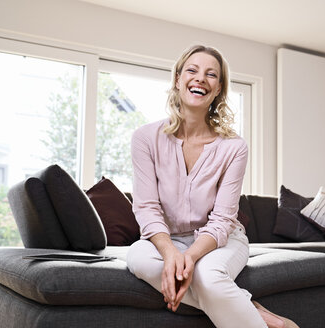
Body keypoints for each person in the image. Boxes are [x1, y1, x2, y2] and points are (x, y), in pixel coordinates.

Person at [126, 45, 298, 328]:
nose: (200, 79)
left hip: (222, 240)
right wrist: (170, 254)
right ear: (178, 79)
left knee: (208, 276)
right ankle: (250, 308)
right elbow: (146, 207)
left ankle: (239, 306)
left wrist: (190, 258)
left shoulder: (234, 147)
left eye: (211, 75)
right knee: (138, 258)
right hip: (167, 238)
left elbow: (222, 220)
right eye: (192, 71)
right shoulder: (146, 138)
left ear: (218, 89)